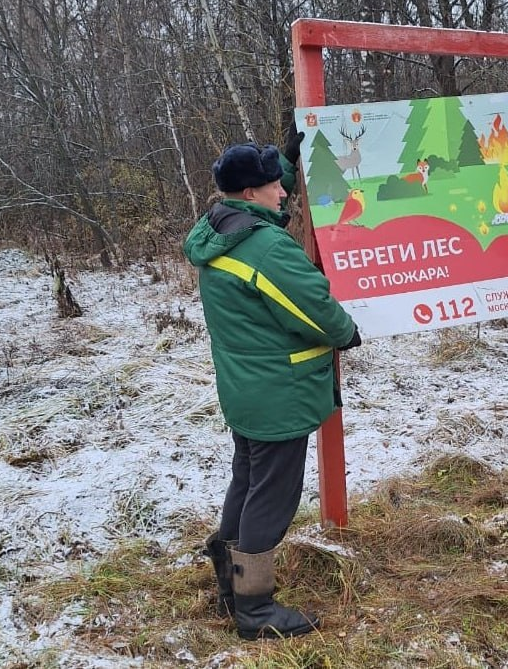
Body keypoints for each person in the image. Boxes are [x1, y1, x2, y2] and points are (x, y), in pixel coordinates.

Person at [183, 122, 362, 639]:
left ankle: (229, 581)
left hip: (247, 390)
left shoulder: (218, 228)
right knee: (273, 496)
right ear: (249, 193)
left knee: (249, 478)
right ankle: (255, 610)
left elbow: (264, 194)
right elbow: (313, 306)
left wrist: (284, 159)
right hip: (279, 393)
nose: (283, 190)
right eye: (274, 184)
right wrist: (346, 331)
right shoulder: (267, 249)